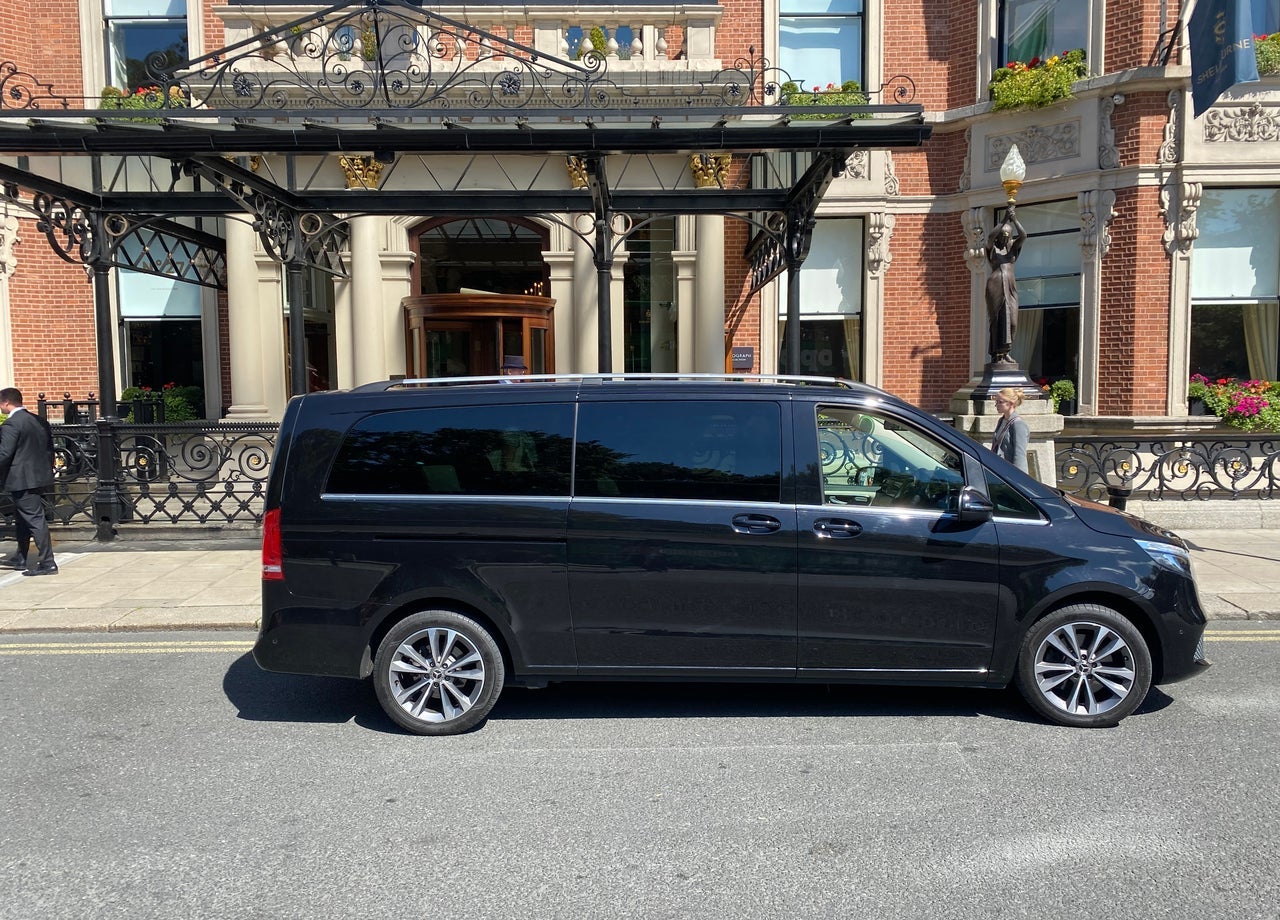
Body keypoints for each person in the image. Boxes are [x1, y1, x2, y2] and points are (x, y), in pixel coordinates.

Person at [0, 387, 58, 576]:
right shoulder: (39, 421)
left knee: (34, 518)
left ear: (6, 403)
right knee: (22, 518)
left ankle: (48, 563)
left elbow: (4, 453)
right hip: (38, 476)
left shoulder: (12, 424)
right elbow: (49, 450)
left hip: (21, 479)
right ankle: (21, 555)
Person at [984, 206, 1028, 365]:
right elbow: (989, 238)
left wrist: (1014, 219)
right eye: (1002, 235)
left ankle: (1007, 351)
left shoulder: (1013, 249)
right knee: (997, 320)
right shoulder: (993, 249)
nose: (1004, 238)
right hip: (995, 285)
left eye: (1007, 235)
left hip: (1010, 285)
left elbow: (1024, 235)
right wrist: (1003, 220)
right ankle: (998, 355)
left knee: (1012, 321)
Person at [990, 387, 1029, 473]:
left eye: (1000, 402)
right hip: (999, 469)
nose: (996, 405)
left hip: (1010, 473)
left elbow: (1019, 455)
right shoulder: (1001, 420)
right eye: (996, 402)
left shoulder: (1018, 424)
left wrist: (1019, 477)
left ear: (1011, 404)